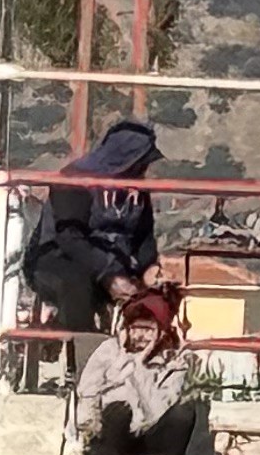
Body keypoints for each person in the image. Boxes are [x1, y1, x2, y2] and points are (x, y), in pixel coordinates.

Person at [22, 116, 160, 340]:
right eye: (141, 163)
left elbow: (144, 236)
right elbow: (69, 238)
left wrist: (148, 269)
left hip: (116, 265)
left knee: (158, 298)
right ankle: (83, 356)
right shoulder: (74, 181)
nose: (144, 169)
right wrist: (109, 274)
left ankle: (147, 362)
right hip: (58, 259)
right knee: (76, 282)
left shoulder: (138, 191)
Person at [70, 288, 207, 455]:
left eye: (148, 329)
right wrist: (89, 425)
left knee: (184, 412)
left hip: (150, 431)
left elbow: (157, 411)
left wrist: (139, 366)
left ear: (161, 331)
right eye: (135, 328)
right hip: (112, 431)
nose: (140, 335)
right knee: (119, 408)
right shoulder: (109, 351)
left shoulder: (173, 362)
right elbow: (88, 389)